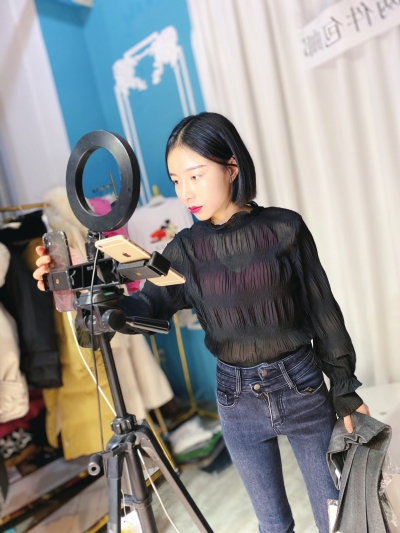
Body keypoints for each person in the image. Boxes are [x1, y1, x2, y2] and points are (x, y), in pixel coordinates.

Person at [34, 112, 370, 533]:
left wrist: (345, 389)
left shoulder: (286, 228)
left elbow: (323, 310)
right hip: (236, 400)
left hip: (300, 387)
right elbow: (146, 308)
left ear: (232, 167)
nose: (185, 192)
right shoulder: (184, 251)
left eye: (195, 175)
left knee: (336, 516)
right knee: (272, 524)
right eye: (176, 180)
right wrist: (86, 288)